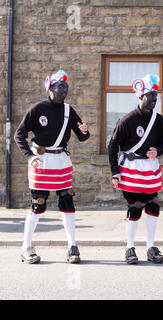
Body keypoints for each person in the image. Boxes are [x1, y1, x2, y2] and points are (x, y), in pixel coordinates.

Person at [14, 70, 90, 264]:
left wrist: (85, 132)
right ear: (50, 88)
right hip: (41, 160)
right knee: (38, 203)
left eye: (65, 86)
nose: (64, 89)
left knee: (67, 201)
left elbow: (82, 137)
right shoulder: (37, 109)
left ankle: (72, 246)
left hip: (61, 160)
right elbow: (19, 135)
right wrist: (30, 157)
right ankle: (26, 247)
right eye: (59, 86)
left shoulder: (68, 110)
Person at [108, 74, 163, 265]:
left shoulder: (159, 120)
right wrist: (114, 172)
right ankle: (130, 248)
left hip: (149, 169)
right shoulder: (127, 120)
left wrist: (157, 151)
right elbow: (112, 146)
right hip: (131, 169)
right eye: (150, 95)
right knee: (135, 208)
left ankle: (150, 247)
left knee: (153, 205)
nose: (154, 98)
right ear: (141, 96)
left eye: (156, 95)